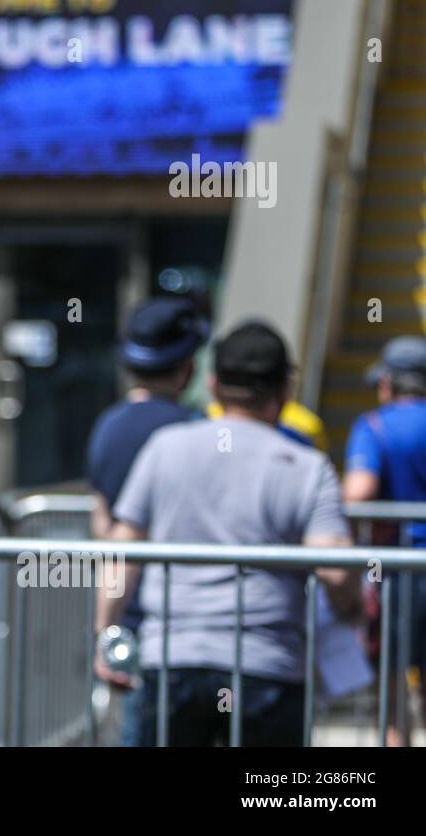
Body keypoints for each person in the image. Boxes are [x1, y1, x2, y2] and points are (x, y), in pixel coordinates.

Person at [94, 320, 361, 746]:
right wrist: (351, 612)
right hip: (267, 665)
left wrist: (107, 634)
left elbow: (124, 552)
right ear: (286, 390)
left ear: (214, 384)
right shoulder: (306, 466)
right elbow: (336, 568)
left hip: (173, 657)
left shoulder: (165, 448)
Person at [85, 297, 206, 744]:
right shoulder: (196, 431)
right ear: (188, 367)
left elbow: (105, 527)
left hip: (130, 619)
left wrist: (105, 631)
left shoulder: (108, 427)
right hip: (190, 622)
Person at [343, 335, 426, 746]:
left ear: (390, 383)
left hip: (398, 574)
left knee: (393, 696)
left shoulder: (374, 426)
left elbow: (358, 491)